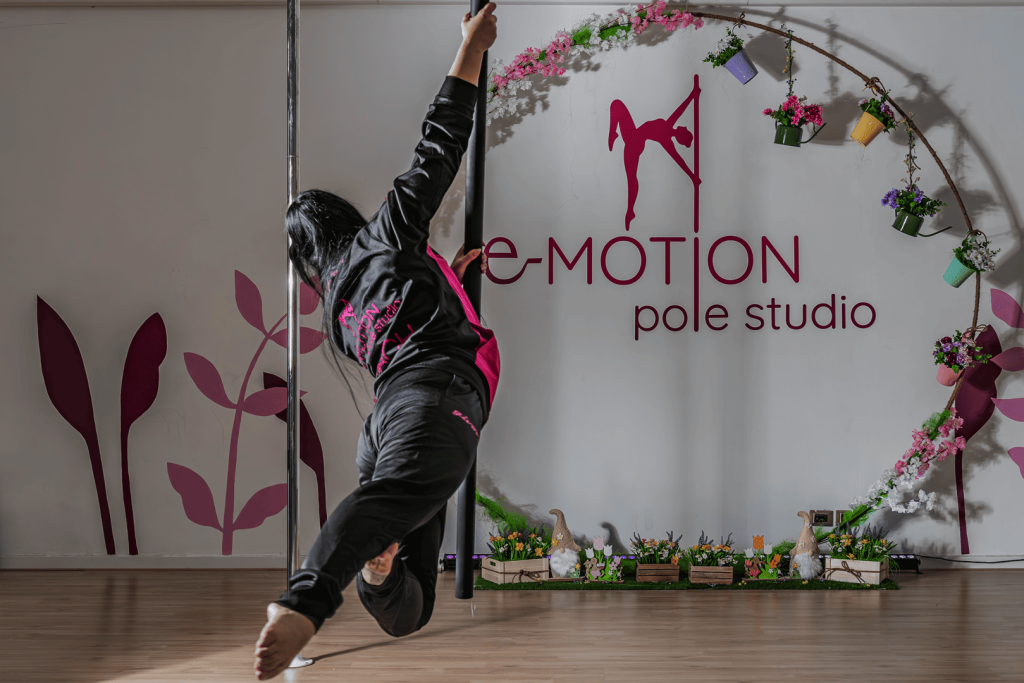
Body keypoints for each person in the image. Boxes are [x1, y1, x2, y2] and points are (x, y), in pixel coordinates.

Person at [254, 5, 499, 679]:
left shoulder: (336, 311)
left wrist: (448, 278)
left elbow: (402, 317)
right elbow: (440, 142)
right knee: (383, 506)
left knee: (411, 600)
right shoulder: (386, 234)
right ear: (341, 217)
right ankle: (305, 600)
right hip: (434, 400)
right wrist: (472, 48)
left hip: (393, 419)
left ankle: (377, 570)